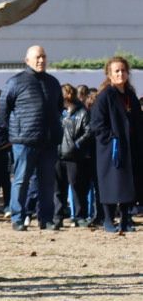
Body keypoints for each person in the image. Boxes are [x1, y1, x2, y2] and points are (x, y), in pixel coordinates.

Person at [0, 45, 63, 231]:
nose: (41, 60)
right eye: (37, 57)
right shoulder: (15, 82)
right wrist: (14, 131)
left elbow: (58, 108)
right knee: (21, 180)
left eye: (44, 56)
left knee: (47, 182)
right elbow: (4, 110)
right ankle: (18, 218)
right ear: (27, 60)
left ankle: (46, 219)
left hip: (49, 141)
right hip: (24, 141)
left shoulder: (53, 82)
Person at [89, 56, 141, 234]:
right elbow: (96, 124)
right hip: (111, 148)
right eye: (116, 71)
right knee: (111, 184)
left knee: (129, 184)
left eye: (123, 70)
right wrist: (111, 139)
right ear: (109, 75)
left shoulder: (130, 96)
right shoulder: (105, 96)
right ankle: (109, 219)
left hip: (130, 147)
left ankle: (126, 219)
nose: (120, 74)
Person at [57, 84, 94, 228]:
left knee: (78, 187)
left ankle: (80, 216)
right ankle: (58, 216)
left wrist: (76, 145)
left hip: (74, 156)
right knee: (58, 189)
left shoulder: (82, 112)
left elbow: (88, 131)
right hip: (58, 154)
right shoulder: (58, 112)